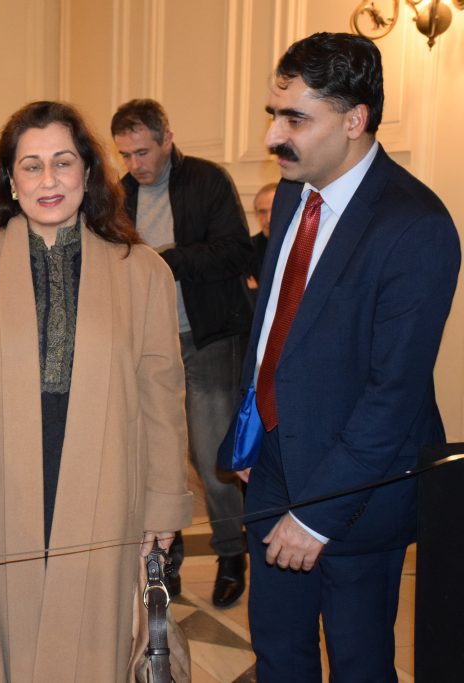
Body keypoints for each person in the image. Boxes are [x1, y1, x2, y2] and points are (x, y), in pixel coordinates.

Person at [0, 101, 191, 681]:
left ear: (88, 172)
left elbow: (162, 400)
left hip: (105, 492)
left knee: (87, 647)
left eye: (63, 162)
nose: (49, 180)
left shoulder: (143, 271)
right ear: (10, 179)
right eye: (31, 165)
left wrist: (164, 505)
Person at [231, 32, 459, 681]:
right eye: (273, 115)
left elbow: (394, 395)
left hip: (356, 493)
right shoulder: (293, 194)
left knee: (359, 665)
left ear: (354, 120)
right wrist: (248, 433)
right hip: (273, 467)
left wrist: (316, 516)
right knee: (279, 655)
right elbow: (273, 327)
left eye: (295, 119)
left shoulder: (416, 225)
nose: (273, 136)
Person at [112, 98, 253, 608]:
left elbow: (236, 250)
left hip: (208, 336)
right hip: (147, 345)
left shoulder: (207, 180)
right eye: (126, 155)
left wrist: (166, 262)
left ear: (167, 139)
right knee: (158, 457)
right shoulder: (118, 195)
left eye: (143, 152)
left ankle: (231, 552)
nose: (135, 164)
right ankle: (164, 564)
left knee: (212, 456)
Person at [247, 182, 277, 289]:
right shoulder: (247, 248)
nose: (268, 219)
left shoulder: (302, 247)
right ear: (256, 214)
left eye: (275, 210)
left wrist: (258, 289)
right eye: (262, 212)